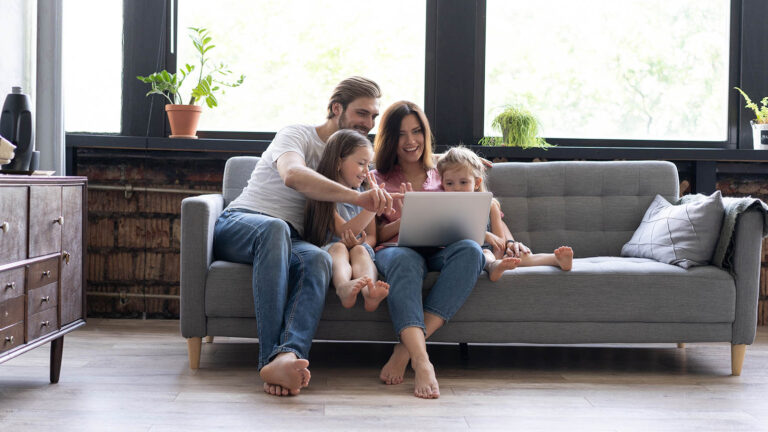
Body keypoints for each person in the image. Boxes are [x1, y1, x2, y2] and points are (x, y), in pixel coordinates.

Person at [212, 77, 396, 397]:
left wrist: (377, 202)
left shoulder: (346, 158)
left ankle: (288, 355)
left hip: (291, 239)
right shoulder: (297, 135)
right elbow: (293, 175)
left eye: (373, 117)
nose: (368, 123)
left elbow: (348, 225)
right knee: (275, 228)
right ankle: (269, 359)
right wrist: (356, 199)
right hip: (244, 222)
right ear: (336, 108)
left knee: (318, 257)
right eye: (362, 113)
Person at [371, 101, 485, 399]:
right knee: (405, 260)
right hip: (397, 249)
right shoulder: (377, 178)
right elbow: (374, 236)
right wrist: (404, 219)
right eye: (401, 134)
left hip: (440, 247)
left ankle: (405, 350)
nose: (411, 141)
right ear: (389, 139)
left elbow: (472, 204)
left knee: (472, 251)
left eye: (417, 131)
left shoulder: (443, 171)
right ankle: (422, 362)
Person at [437, 146, 574, 280]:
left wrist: (499, 258)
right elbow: (448, 237)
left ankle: (556, 259)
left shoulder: (491, 205)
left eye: (463, 182)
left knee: (521, 256)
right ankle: (493, 265)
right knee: (484, 253)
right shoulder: (444, 207)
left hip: (494, 254)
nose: (456, 188)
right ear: (442, 183)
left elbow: (500, 242)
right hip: (467, 255)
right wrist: (484, 236)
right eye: (449, 183)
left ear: (477, 183)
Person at [303, 129, 390, 311]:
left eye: (369, 165)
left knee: (360, 250)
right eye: (361, 163)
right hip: (332, 247)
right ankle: (343, 287)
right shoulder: (324, 195)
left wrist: (363, 241)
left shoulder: (363, 194)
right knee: (340, 247)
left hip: (359, 247)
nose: (367, 171)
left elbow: (373, 236)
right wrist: (372, 206)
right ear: (338, 162)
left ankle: (369, 292)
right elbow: (343, 232)